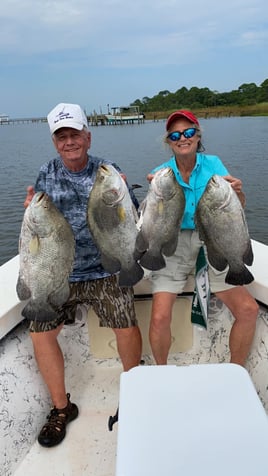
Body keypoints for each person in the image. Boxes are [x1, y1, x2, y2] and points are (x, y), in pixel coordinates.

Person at [24, 102, 142, 447]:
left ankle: (134, 394)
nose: (69, 141)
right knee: (40, 332)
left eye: (75, 134)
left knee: (126, 325)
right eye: (62, 136)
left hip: (105, 268)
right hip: (61, 271)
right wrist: (30, 213)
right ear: (54, 142)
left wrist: (127, 195)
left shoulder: (107, 170)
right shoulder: (46, 174)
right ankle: (62, 408)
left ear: (87, 136)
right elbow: (39, 226)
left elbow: (128, 218)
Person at [148, 109, 259, 367]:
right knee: (159, 317)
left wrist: (239, 193)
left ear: (197, 136)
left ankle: (237, 370)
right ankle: (161, 372)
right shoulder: (160, 173)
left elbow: (234, 209)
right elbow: (152, 216)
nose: (182, 138)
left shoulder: (214, 164)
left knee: (249, 310)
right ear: (169, 141)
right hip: (173, 245)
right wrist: (153, 196)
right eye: (175, 134)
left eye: (188, 132)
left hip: (212, 240)